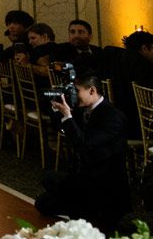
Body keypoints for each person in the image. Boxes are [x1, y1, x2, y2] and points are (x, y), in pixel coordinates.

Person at [34, 73, 130, 228]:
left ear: (92, 91)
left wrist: (67, 116)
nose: (74, 95)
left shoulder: (113, 117)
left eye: (76, 91)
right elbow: (62, 127)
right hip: (84, 176)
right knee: (44, 197)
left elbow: (85, 144)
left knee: (52, 192)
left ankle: (85, 211)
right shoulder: (84, 109)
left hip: (104, 185)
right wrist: (56, 107)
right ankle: (77, 208)